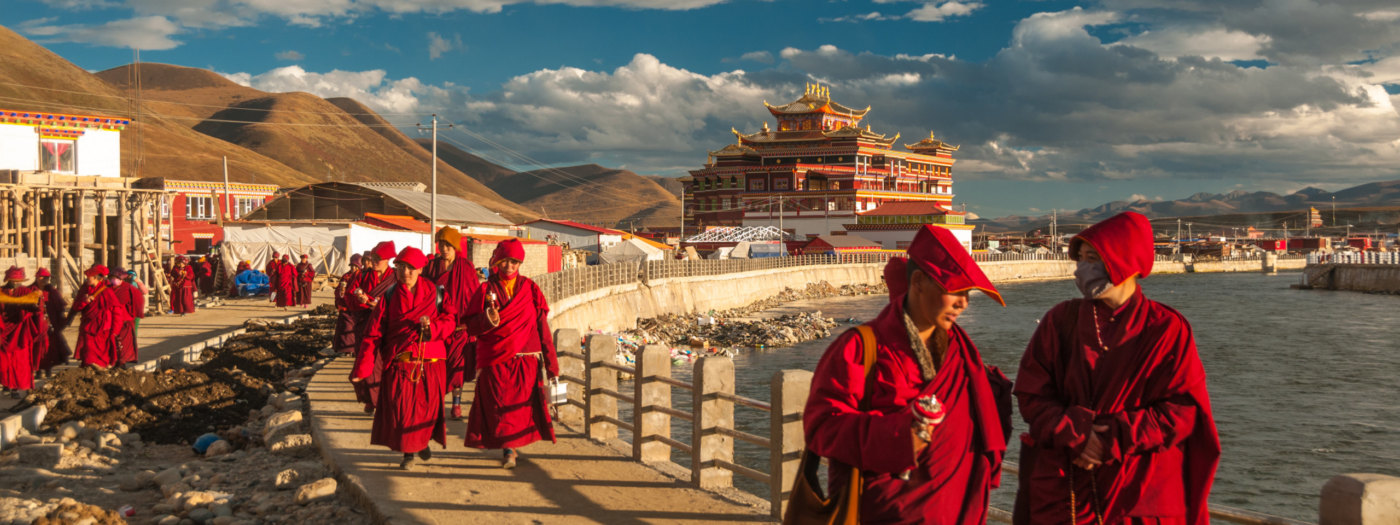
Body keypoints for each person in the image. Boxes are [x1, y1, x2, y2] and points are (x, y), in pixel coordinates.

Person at [1013, 211, 1219, 525]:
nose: (1084, 269)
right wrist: (1077, 433)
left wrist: (1112, 438)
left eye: (1093, 258)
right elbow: (1031, 395)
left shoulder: (1165, 328)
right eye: (1080, 259)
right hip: (1066, 495)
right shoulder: (1060, 321)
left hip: (1138, 495)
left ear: (1125, 259)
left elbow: (1181, 410)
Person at [802, 225, 1011, 524]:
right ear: (918, 282)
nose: (963, 303)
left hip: (954, 506)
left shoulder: (961, 350)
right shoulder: (860, 346)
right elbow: (821, 426)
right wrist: (899, 437)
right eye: (955, 291)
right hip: (885, 511)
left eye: (968, 293)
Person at [352, 246, 454, 469]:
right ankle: (408, 453)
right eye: (400, 267)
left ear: (420, 269)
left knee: (426, 410)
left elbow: (450, 320)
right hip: (402, 363)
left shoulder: (437, 293)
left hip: (431, 364)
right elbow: (373, 333)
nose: (405, 273)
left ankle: (421, 441)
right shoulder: (389, 296)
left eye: (410, 268)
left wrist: (433, 328)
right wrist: (362, 368)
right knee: (402, 409)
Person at [463, 239, 559, 469]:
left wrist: (552, 365)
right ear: (497, 261)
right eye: (505, 262)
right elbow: (470, 325)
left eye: (514, 262)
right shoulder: (485, 290)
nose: (509, 267)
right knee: (499, 405)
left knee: (519, 408)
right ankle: (508, 448)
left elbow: (542, 328)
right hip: (495, 358)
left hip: (525, 359)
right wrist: (487, 320)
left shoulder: (530, 289)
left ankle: (511, 448)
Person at [422, 227, 481, 420]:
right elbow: (423, 291)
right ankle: (436, 401)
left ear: (456, 247)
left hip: (459, 326)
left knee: (457, 365)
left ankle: (456, 403)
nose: (444, 249)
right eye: (441, 245)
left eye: (448, 245)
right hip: (437, 326)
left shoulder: (466, 267)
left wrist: (471, 321)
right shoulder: (431, 267)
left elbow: (474, 295)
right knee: (436, 366)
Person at [348, 241, 397, 413]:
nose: (374, 261)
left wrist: (383, 306)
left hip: (387, 325)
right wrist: (360, 299)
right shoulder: (362, 276)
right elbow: (350, 293)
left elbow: (400, 299)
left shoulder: (395, 277)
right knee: (366, 362)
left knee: (383, 364)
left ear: (388, 260)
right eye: (372, 258)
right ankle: (370, 398)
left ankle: (381, 399)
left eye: (378, 258)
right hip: (366, 324)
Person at [68, 265, 132, 369]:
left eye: (89, 277)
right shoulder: (85, 290)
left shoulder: (106, 292)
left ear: (97, 278)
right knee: (88, 351)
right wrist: (85, 302)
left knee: (102, 355)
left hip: (103, 328)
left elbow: (116, 312)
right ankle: (89, 368)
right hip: (88, 326)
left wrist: (115, 330)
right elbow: (76, 306)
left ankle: (99, 371)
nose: (87, 279)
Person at [0, 267, 43, 398]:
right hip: (3, 330)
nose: (18, 283)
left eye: (20, 281)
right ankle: (6, 384)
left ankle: (15, 389)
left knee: (19, 362)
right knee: (4, 361)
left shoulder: (25, 291)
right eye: (15, 281)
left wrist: (38, 300)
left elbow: (35, 307)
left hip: (20, 332)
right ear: (8, 280)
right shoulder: (1, 292)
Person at [33, 268, 70, 378]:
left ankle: (48, 369)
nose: (45, 280)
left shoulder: (52, 291)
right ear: (37, 277)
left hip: (50, 324)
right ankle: (38, 370)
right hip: (35, 325)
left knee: (50, 348)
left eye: (47, 278)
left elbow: (60, 306)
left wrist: (60, 320)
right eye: (43, 277)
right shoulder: (31, 289)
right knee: (36, 348)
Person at [111, 267, 145, 367]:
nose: (114, 280)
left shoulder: (129, 288)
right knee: (114, 343)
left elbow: (139, 300)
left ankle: (122, 363)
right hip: (112, 321)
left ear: (122, 279)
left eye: (116, 278)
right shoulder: (109, 288)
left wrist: (136, 313)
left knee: (124, 344)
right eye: (112, 278)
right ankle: (115, 362)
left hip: (125, 320)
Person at [333, 253, 365, 354]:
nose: (353, 268)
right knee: (345, 327)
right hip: (345, 305)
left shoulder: (363, 276)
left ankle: (353, 349)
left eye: (356, 266)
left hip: (357, 305)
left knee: (356, 328)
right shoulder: (345, 276)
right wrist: (340, 295)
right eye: (352, 266)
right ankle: (345, 349)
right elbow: (338, 290)